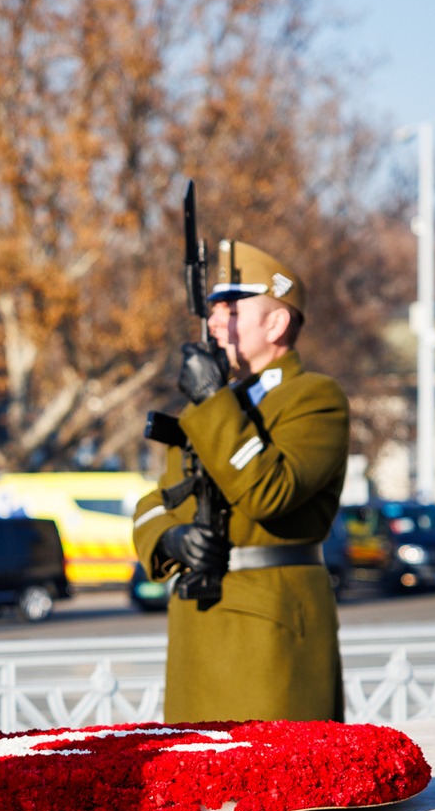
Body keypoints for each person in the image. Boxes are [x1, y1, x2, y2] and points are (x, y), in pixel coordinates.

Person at [133, 241, 349, 722]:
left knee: (276, 790)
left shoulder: (312, 397)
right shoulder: (209, 410)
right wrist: (170, 538)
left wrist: (212, 399)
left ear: (276, 323)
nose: (213, 322)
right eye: (211, 309)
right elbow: (158, 498)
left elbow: (269, 493)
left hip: (267, 629)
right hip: (198, 621)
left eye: (230, 308)